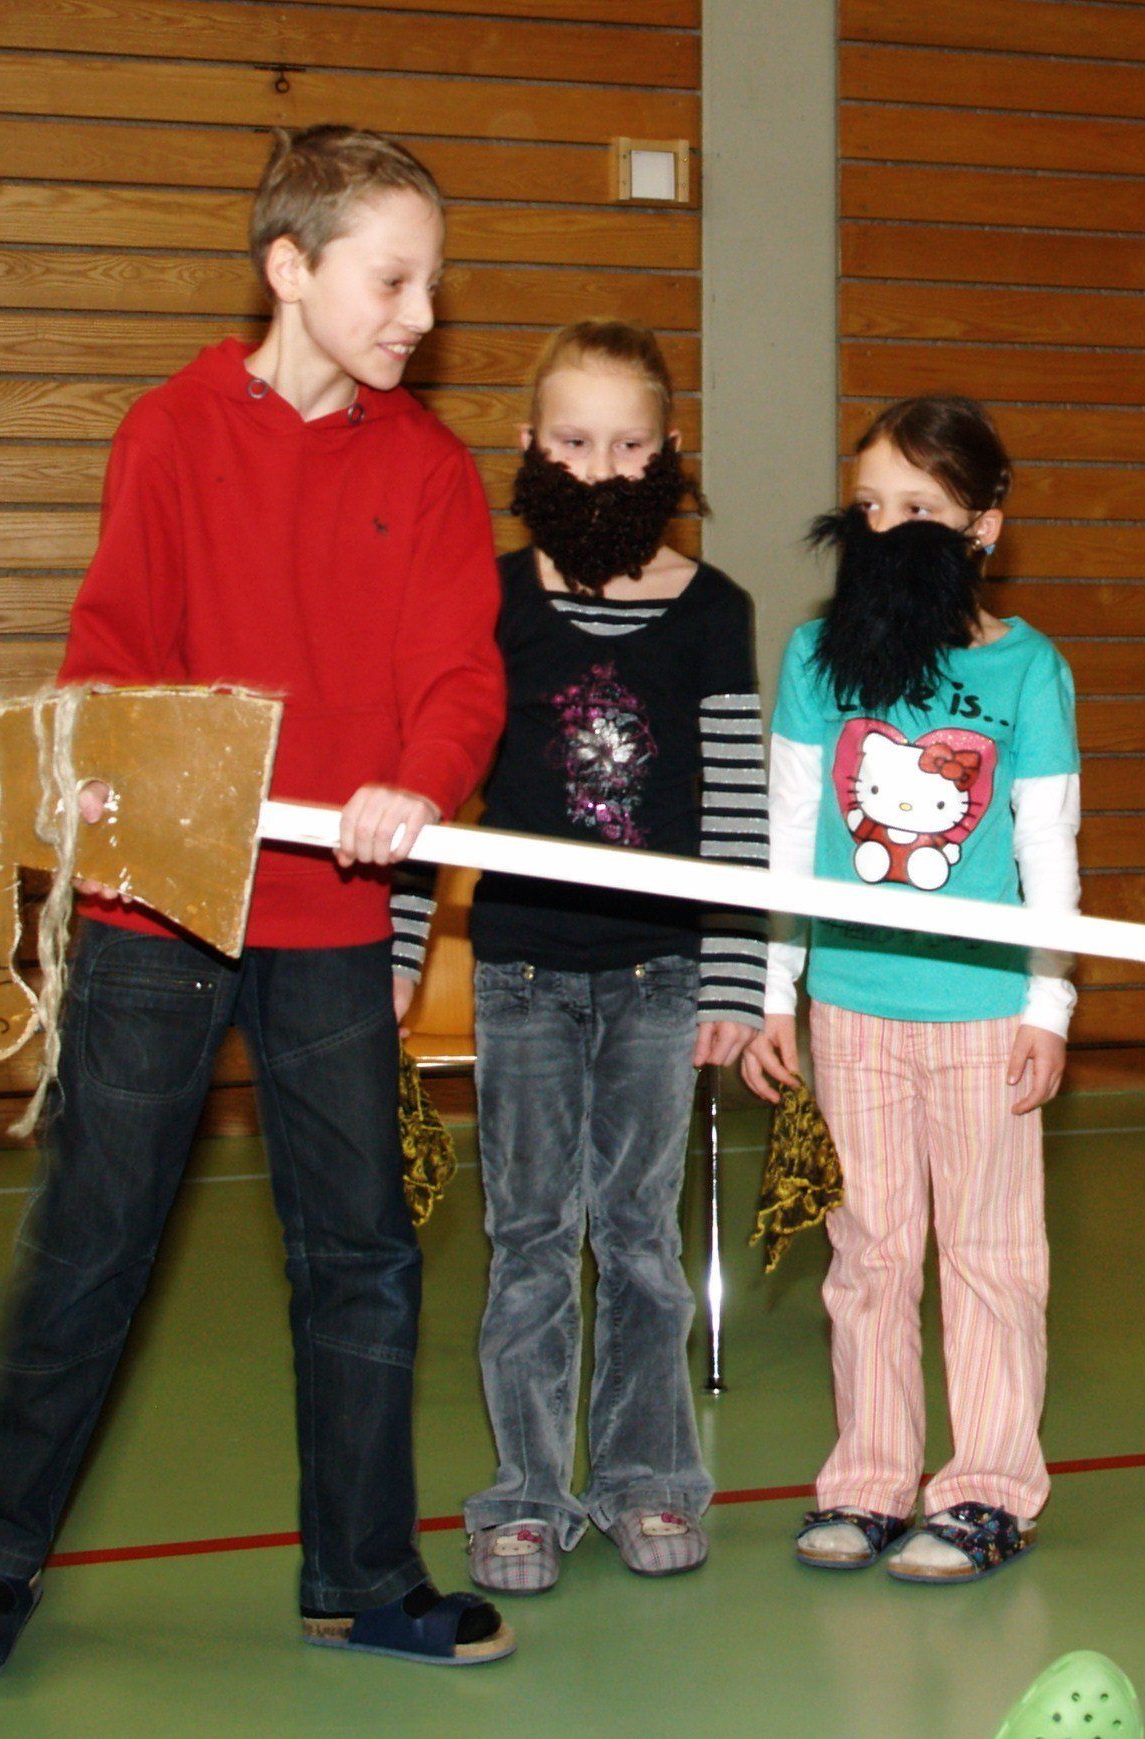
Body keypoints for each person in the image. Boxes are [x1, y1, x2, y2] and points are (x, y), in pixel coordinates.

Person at [0, 125, 511, 1689]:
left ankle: (361, 1574)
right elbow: (112, 648)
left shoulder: (429, 471)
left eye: (431, 283)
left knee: (361, 1249)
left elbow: (459, 673)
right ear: (289, 267)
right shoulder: (169, 434)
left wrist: (417, 785)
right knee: (93, 1234)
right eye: (393, 279)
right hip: (161, 913)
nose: (421, 314)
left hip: (329, 918)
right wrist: (114, 779)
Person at [391, 321, 763, 1593]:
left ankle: (649, 1475)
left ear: (668, 451)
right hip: (523, 973)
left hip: (660, 976)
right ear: (529, 445)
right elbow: (428, 785)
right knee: (532, 1237)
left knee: (644, 1239)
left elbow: (735, 808)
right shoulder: (485, 600)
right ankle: (524, 1491)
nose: (601, 468)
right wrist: (399, 948)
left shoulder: (714, 611)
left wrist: (734, 973)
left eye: (628, 445)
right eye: (573, 441)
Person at [739, 395, 1080, 1583]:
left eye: (919, 509)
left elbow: (1048, 848)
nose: (885, 531)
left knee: (989, 1254)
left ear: (983, 526)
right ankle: (871, 1479)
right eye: (868, 506)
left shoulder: (1029, 668)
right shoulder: (813, 659)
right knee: (869, 1253)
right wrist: (775, 990)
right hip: (851, 1006)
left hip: (983, 1014)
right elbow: (789, 832)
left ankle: (988, 1489)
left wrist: (1047, 1006)